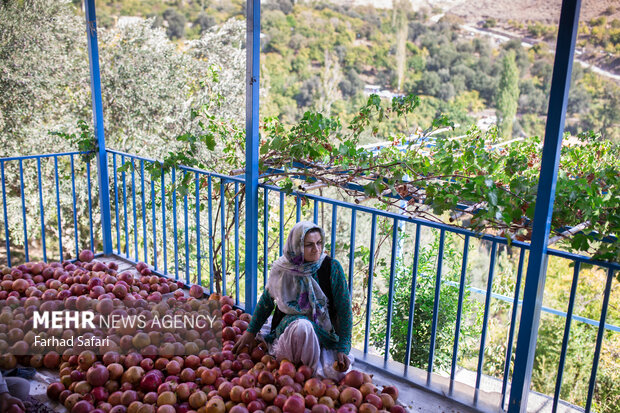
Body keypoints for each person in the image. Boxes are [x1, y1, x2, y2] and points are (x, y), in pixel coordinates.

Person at [233, 221, 353, 379]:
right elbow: (267, 301)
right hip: (291, 329)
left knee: (335, 372)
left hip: (323, 333)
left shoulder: (332, 268)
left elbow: (344, 310)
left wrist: (343, 347)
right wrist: (251, 331)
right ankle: (297, 376)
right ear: (296, 246)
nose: (316, 249)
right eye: (309, 245)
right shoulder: (283, 269)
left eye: (319, 243)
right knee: (302, 327)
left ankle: (305, 378)